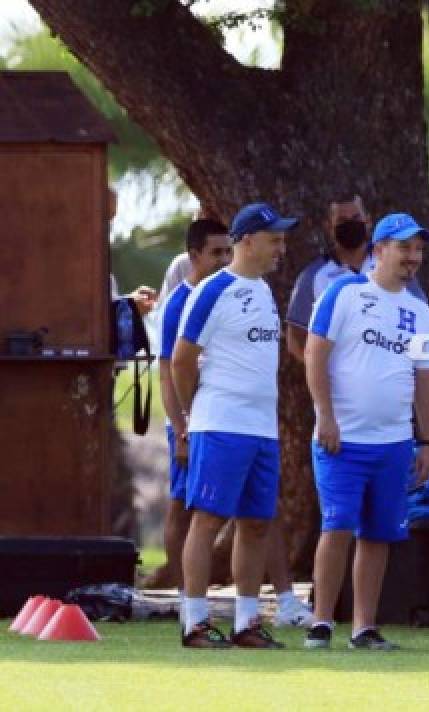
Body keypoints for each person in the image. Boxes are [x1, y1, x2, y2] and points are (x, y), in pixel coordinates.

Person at [303, 213, 429, 651]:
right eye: (405, 248)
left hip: (395, 442)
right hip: (342, 438)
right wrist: (325, 414)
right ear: (379, 249)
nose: (413, 258)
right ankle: (321, 622)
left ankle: (363, 626)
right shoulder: (344, 291)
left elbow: (427, 378)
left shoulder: (420, 310)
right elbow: (314, 353)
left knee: (379, 534)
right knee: (338, 525)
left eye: (418, 250)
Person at [172, 201, 296, 649]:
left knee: (257, 523)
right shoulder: (213, 290)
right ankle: (195, 622)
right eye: (274, 239)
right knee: (207, 520)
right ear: (247, 241)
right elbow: (182, 359)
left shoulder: (264, 291)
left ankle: (246, 622)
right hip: (220, 424)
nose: (281, 248)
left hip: (262, 428)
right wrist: (195, 412)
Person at [156, 219, 232, 589]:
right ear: (194, 255)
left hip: (224, 418)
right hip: (189, 422)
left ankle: (281, 594)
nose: (223, 260)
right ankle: (178, 586)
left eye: (228, 251)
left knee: (255, 511)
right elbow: (167, 373)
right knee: (182, 504)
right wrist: (182, 428)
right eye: (216, 252)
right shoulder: (178, 303)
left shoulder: (233, 296)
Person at [286, 194, 427, 364]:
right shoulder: (313, 277)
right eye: (342, 221)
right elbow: (295, 339)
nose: (350, 225)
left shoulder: (395, 264)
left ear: (368, 221)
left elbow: (422, 320)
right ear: (329, 227)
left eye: (356, 218)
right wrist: (326, 374)